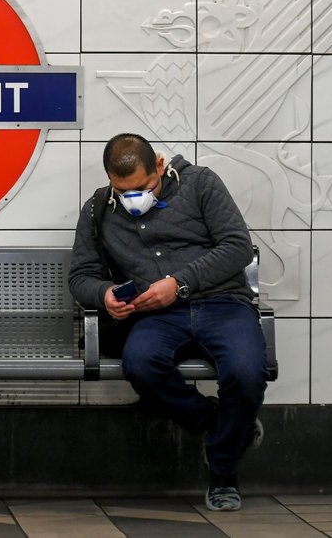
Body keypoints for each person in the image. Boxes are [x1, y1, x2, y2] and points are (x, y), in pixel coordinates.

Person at [68, 132, 268, 512]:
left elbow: (237, 246)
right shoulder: (99, 208)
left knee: (244, 373)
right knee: (141, 365)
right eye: (123, 191)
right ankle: (220, 426)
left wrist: (178, 284)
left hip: (223, 304)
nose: (133, 199)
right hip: (157, 317)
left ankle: (223, 474)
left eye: (143, 187)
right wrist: (104, 295)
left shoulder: (201, 183)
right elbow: (81, 276)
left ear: (159, 166)